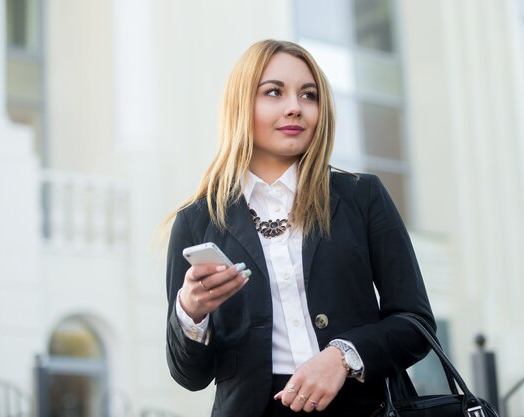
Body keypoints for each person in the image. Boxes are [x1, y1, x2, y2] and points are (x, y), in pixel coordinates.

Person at [164, 39, 435, 417]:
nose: (295, 107)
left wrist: (342, 356)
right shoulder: (198, 220)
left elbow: (415, 324)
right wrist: (191, 312)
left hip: (366, 406)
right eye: (273, 92)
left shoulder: (362, 197)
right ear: (241, 104)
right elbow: (188, 375)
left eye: (309, 95)